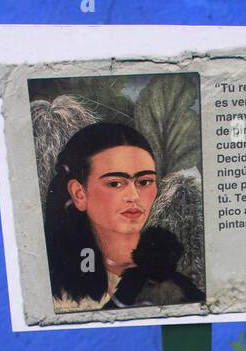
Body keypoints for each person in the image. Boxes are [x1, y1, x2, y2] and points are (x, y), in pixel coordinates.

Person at [42, 122, 204, 311]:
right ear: (79, 193)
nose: (134, 196)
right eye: (115, 183)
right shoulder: (56, 288)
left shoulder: (180, 277)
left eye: (144, 182)